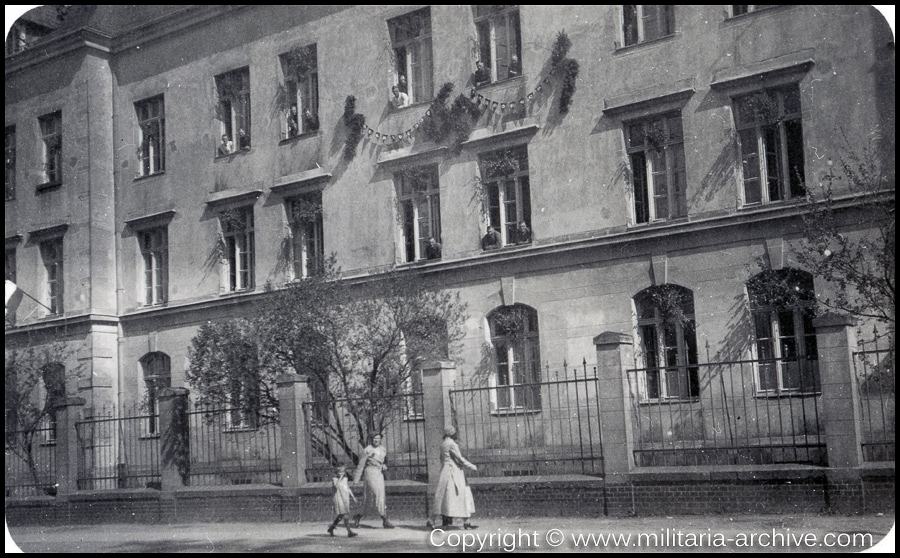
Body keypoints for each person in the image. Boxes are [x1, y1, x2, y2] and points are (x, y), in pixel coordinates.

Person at [428, 426, 478, 530]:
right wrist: (472, 466)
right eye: (454, 432)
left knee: (442, 496)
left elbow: (443, 459)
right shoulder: (452, 444)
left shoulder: (443, 444)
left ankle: (432, 519)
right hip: (454, 472)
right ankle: (466, 521)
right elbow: (459, 459)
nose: (456, 434)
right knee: (462, 494)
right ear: (451, 433)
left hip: (445, 471)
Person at [352, 433, 395, 528]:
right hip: (370, 473)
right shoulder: (367, 450)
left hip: (379, 474)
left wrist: (385, 466)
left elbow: (386, 462)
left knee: (377, 497)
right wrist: (356, 480)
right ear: (371, 439)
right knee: (374, 495)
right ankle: (384, 518)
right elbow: (361, 465)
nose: (376, 440)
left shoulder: (383, 449)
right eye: (375, 438)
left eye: (378, 438)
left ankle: (359, 516)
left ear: (380, 439)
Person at [327, 464, 358, 538]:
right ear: (337, 472)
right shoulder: (335, 479)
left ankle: (331, 528)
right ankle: (349, 531)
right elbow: (336, 486)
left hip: (345, 497)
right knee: (345, 514)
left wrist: (353, 497)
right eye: (340, 472)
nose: (342, 474)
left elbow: (347, 488)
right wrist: (340, 478)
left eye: (343, 472)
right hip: (338, 498)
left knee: (341, 515)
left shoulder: (345, 479)